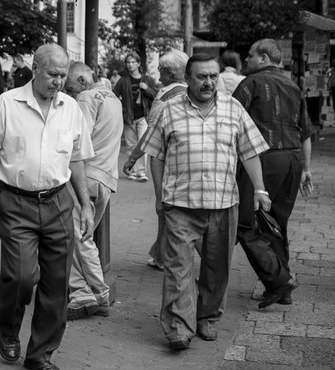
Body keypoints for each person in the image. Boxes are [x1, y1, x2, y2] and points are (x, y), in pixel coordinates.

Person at [0, 44, 95, 370]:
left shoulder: (71, 109)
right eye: (53, 74)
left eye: (63, 75)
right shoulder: (6, 104)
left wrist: (85, 204)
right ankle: (9, 327)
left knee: (57, 283)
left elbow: (76, 159)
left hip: (58, 202)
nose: (59, 81)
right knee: (21, 276)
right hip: (16, 202)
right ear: (36, 69)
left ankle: (40, 354)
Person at [137, 53, 271, 351]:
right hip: (180, 205)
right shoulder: (170, 110)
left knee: (217, 268)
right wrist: (159, 196)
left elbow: (250, 151)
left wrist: (260, 190)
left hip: (223, 204)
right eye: (202, 77)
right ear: (188, 79)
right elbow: (156, 156)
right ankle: (178, 328)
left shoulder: (233, 108)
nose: (209, 82)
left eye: (213, 76)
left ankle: (207, 317)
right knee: (177, 268)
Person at [232, 39, 313, 309]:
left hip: (262, 158)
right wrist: (307, 168)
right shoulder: (293, 86)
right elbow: (306, 132)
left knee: (245, 224)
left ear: (264, 58)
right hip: (292, 159)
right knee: (276, 223)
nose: (247, 60)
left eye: (250, 55)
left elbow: (229, 121)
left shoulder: (250, 83)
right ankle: (281, 288)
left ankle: (279, 281)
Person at [62, 61, 123, 319]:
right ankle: (81, 293)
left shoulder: (86, 98)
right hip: (105, 178)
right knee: (78, 237)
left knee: (79, 238)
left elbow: (79, 141)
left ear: (82, 81)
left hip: (86, 177)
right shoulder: (113, 97)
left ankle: (98, 292)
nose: (69, 93)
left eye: (70, 88)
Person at [123, 49, 190, 270]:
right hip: (189, 160)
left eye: (161, 69)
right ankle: (162, 253)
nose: (158, 72)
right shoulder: (191, 92)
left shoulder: (165, 96)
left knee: (165, 208)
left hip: (168, 161)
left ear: (169, 72)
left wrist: (133, 157)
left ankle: (166, 257)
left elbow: (152, 135)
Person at [113, 53, 157, 181]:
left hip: (144, 116)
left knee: (142, 145)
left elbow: (156, 95)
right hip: (128, 117)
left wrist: (147, 88)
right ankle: (131, 171)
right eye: (128, 62)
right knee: (131, 145)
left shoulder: (147, 79)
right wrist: (121, 108)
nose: (130, 65)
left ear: (138, 63)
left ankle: (141, 172)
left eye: (133, 62)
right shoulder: (123, 80)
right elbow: (114, 96)